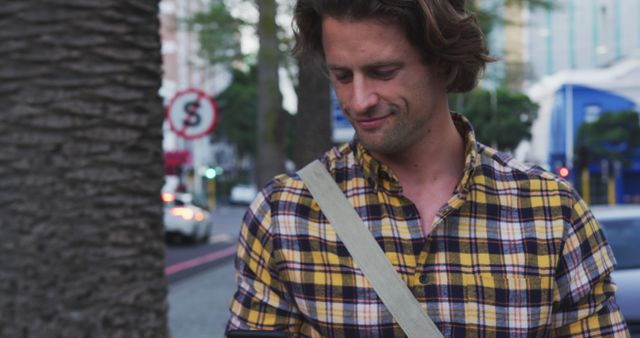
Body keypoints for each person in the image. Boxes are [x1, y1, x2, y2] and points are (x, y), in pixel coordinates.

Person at [227, 0, 629, 336]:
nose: (359, 99)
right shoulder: (283, 215)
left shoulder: (551, 212)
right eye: (342, 76)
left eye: (383, 72)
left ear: (443, 63)